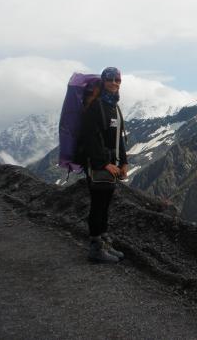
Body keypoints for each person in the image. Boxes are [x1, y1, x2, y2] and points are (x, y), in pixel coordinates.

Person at [79, 67, 128, 263]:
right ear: (103, 81)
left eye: (118, 80)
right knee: (98, 205)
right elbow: (90, 138)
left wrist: (124, 162)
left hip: (112, 164)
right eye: (110, 79)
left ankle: (103, 243)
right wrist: (104, 163)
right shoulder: (95, 106)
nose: (115, 83)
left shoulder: (114, 107)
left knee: (106, 203)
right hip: (98, 165)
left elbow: (119, 138)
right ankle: (95, 248)